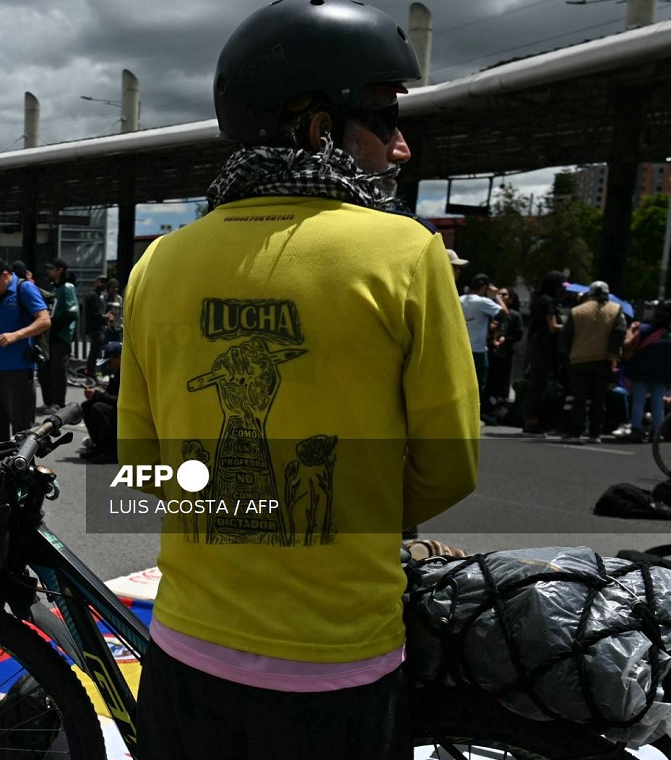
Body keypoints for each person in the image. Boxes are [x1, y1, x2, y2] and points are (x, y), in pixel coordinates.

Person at [116, 2, 479, 758]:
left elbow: (140, 466)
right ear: (318, 128)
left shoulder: (158, 264)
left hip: (188, 656)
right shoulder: (407, 254)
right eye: (384, 118)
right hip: (340, 663)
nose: (403, 147)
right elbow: (450, 465)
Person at [0, 256, 51, 445]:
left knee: (22, 429)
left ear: (5, 275)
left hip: (18, 368)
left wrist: (16, 335)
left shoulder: (24, 289)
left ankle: (21, 470)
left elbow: (44, 320)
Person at [560, 280, 626, 443]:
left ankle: (575, 431)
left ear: (590, 293)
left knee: (579, 398)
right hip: (602, 360)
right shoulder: (616, 310)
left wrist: (567, 354)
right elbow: (619, 333)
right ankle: (595, 433)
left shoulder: (577, 311)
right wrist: (613, 355)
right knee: (599, 399)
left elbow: (565, 337)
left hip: (579, 359)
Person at [521, 271, 567, 434]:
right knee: (539, 383)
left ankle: (532, 418)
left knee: (537, 382)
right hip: (545, 346)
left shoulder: (539, 300)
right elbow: (553, 327)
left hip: (537, 344)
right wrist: (570, 327)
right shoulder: (549, 302)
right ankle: (533, 420)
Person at [620, 302, 671, 443]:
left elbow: (628, 345)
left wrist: (631, 329)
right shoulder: (669, 334)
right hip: (663, 372)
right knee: (658, 401)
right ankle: (657, 431)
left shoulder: (644, 330)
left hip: (641, 370)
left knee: (639, 400)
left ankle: (637, 429)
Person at [460, 273, 508, 412]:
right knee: (477, 385)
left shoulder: (460, 299)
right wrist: (497, 297)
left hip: (462, 348)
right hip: (478, 350)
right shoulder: (483, 302)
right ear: (485, 287)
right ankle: (473, 413)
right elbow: (504, 313)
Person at [39, 259, 79, 413]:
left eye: (51, 268)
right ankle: (48, 401)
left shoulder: (67, 287)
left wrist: (54, 323)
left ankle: (58, 404)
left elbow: (72, 312)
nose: (48, 270)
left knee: (58, 370)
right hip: (50, 335)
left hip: (61, 335)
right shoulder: (53, 287)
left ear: (60, 270)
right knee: (44, 370)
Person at [78, 341, 121, 464]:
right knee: (86, 406)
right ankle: (100, 447)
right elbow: (111, 394)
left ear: (119, 357)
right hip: (119, 410)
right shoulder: (116, 373)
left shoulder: (129, 373)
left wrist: (97, 395)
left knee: (99, 408)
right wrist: (98, 393)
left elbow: (121, 400)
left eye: (110, 362)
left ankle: (111, 452)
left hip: (132, 414)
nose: (108, 366)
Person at [487, 287, 524, 409]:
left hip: (505, 352)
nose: (501, 297)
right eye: (499, 294)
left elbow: (518, 334)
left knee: (503, 378)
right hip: (490, 350)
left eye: (504, 295)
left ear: (511, 299)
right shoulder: (493, 311)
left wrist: (506, 339)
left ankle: (500, 403)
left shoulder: (515, 315)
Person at [81, 276, 109, 372]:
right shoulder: (93, 295)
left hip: (96, 328)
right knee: (94, 352)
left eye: (105, 282)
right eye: (102, 282)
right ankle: (90, 372)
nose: (104, 285)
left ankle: (91, 372)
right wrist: (106, 317)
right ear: (96, 282)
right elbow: (96, 313)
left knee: (95, 352)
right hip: (95, 328)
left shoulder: (97, 295)